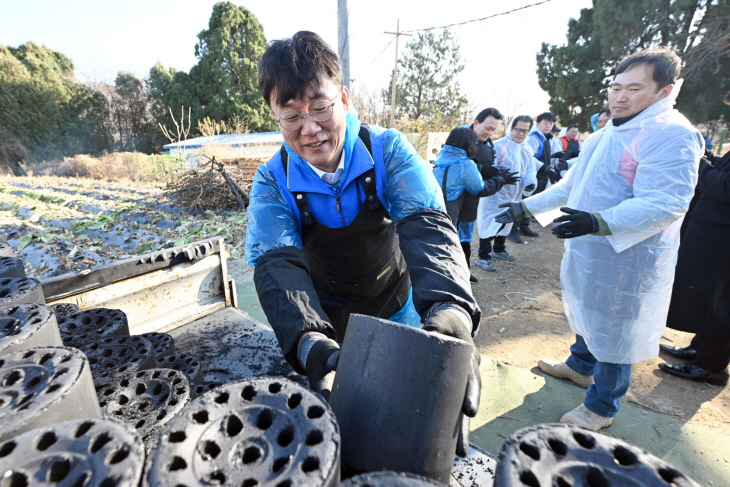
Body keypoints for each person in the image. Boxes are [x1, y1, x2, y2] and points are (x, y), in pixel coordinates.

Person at [246, 31, 481, 456]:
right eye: (292, 116)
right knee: (345, 427)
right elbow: (275, 262)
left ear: (346, 100)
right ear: (274, 116)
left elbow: (428, 227)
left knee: (421, 416)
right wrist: (308, 340)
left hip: (399, 305)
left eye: (321, 107)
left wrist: (452, 310)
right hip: (329, 321)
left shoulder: (387, 150)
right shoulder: (271, 180)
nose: (311, 129)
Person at [495, 47, 704, 430]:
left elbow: (666, 202)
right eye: (616, 87)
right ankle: (579, 365)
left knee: (615, 325)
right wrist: (524, 208)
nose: (620, 97)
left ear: (665, 92)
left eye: (634, 88)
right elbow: (571, 186)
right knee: (588, 306)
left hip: (630, 253)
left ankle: (601, 407)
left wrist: (599, 221)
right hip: (591, 243)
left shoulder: (672, 134)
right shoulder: (608, 132)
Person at [657, 91, 730, 386]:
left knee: (719, 299)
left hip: (723, 237)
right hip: (714, 232)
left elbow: (725, 187)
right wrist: (709, 160)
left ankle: (711, 366)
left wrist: (698, 166)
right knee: (705, 295)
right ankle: (700, 350)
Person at [433, 127, 513, 282]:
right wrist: (500, 179)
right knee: (462, 244)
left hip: (440, 209)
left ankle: (453, 276)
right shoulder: (464, 163)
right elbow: (479, 188)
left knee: (444, 245)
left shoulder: (441, 157)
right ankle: (462, 277)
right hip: (459, 212)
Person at [474, 116, 536, 272]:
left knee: (508, 221)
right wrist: (502, 178)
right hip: (496, 194)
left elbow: (530, 169)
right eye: (518, 130)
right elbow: (491, 167)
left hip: (514, 194)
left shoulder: (527, 149)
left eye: (525, 131)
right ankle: (483, 256)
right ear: (511, 128)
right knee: (490, 221)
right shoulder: (499, 146)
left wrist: (530, 183)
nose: (521, 134)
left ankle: (499, 249)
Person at [458, 108, 507, 281]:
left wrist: (496, 173)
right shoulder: (461, 137)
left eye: (493, 129)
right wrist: (480, 169)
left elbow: (489, 163)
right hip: (457, 197)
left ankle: (464, 272)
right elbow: (454, 165)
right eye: (487, 127)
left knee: (466, 237)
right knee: (453, 238)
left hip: (473, 197)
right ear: (476, 123)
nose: (489, 132)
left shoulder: (488, 143)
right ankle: (454, 276)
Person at [515, 112, 560, 239]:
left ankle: (524, 226)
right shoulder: (533, 138)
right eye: (546, 123)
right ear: (538, 123)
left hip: (542, 176)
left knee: (532, 201)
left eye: (551, 124)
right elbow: (529, 157)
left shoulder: (545, 138)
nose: (548, 126)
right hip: (533, 175)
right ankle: (515, 228)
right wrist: (544, 167)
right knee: (524, 200)